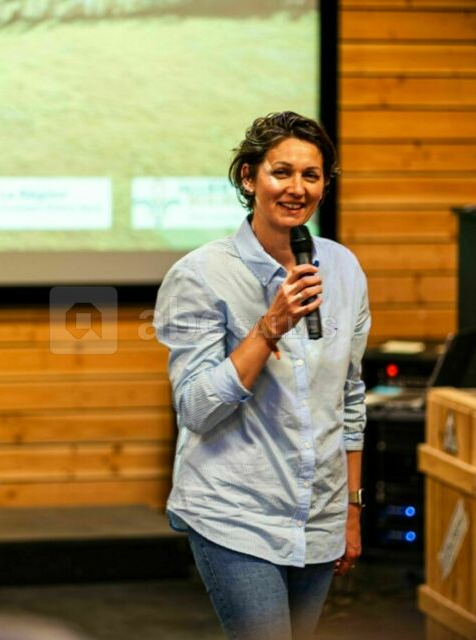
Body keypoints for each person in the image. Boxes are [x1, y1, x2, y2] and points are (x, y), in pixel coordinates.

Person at [153, 111, 370, 640]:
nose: (297, 188)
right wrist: (269, 328)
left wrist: (351, 511)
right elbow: (197, 408)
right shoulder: (200, 275)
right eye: (281, 172)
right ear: (249, 179)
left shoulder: (343, 270)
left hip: (317, 515)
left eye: (311, 175)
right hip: (234, 512)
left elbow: (350, 400)